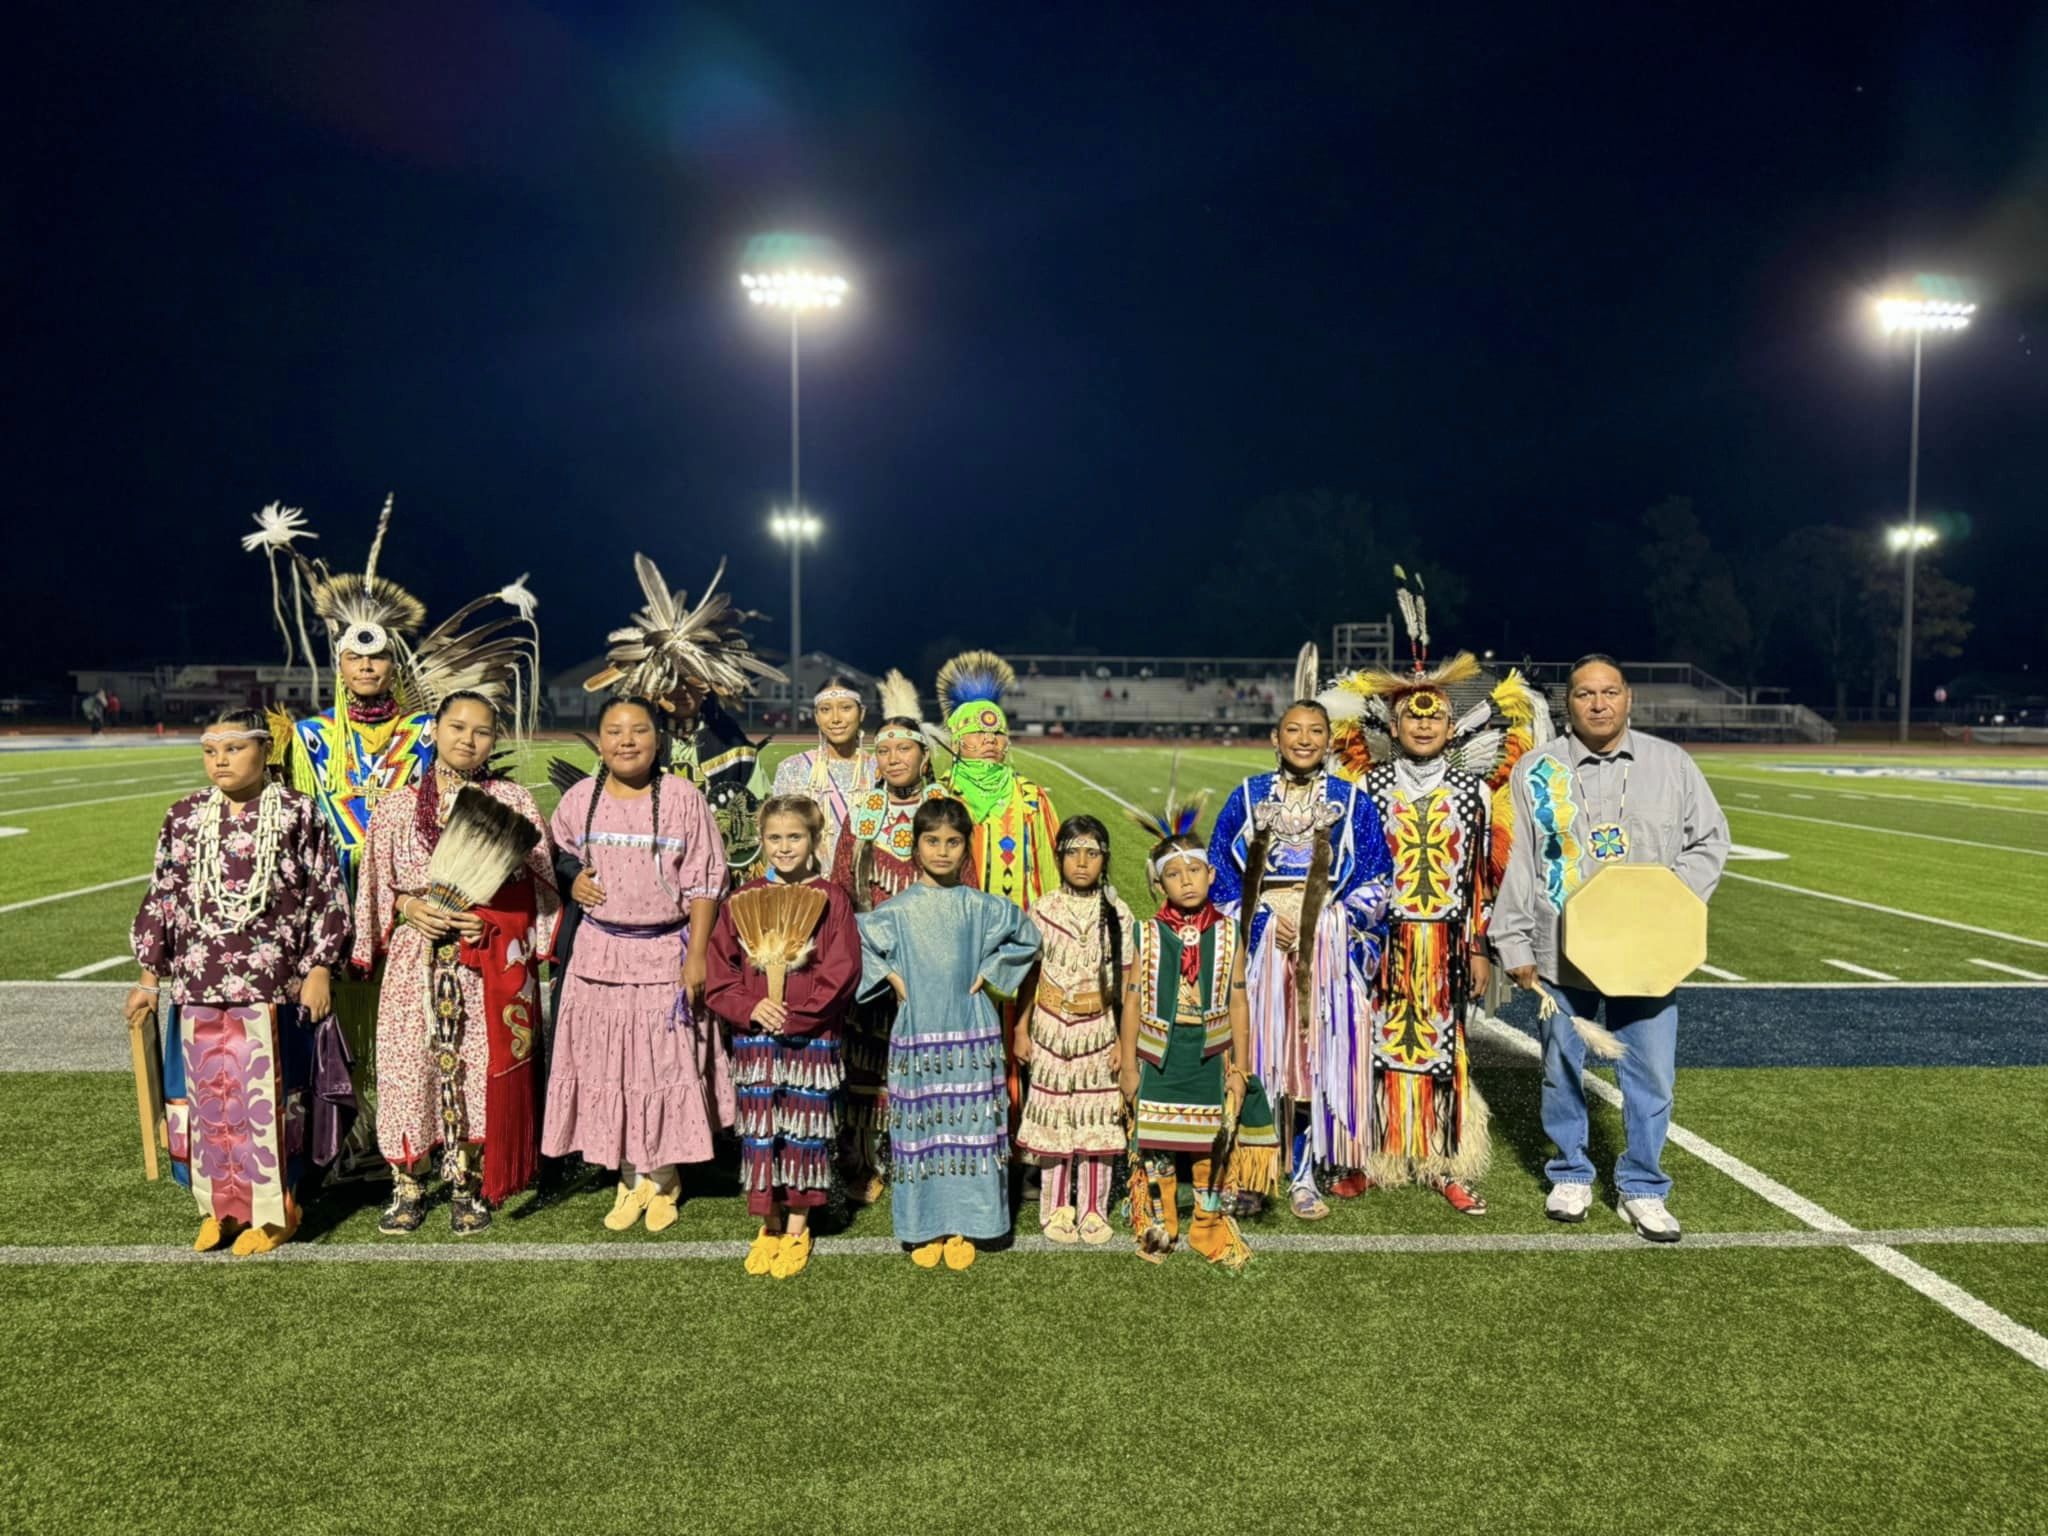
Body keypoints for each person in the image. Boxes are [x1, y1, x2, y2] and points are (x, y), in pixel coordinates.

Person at [241, 497, 542, 1178]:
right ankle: (355, 1138)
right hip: (335, 901)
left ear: (393, 664)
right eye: (354, 658)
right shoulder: (308, 738)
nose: (367, 669)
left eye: (377, 660)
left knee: (421, 1028)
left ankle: (437, 1136)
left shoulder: (425, 735)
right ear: (341, 664)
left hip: (422, 903)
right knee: (346, 1028)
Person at [1321, 586, 1555, 1213]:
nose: (1423, 723)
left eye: (1434, 716)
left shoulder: (1474, 794)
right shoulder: (1364, 784)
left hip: (1448, 943)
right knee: (1374, 1044)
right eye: (1412, 716)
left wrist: (1481, 945)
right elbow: (1349, 867)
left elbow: (1482, 877)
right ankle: (1371, 1159)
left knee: (1444, 1047)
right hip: (1381, 941)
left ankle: (1443, 1161)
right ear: (1392, 726)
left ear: (1451, 726)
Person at [1491, 654, 1730, 1243]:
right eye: (1583, 694)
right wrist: (1511, 938)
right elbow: (1522, 861)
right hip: (1560, 948)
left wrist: (1665, 903)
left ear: (1629, 699)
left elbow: (1710, 841)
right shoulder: (1537, 770)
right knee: (1561, 1067)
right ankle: (1570, 1171)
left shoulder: (1671, 764)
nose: (1598, 703)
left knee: (1651, 1074)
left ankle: (1643, 1187)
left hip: (1648, 951)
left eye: (1609, 692)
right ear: (1566, 703)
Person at [126, 708, 352, 1254]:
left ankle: (279, 1210)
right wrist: (148, 979)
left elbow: (327, 891)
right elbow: (163, 900)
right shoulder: (182, 817)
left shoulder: (298, 813)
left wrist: (320, 966)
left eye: (233, 748)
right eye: (210, 750)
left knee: (268, 1103)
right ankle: (220, 1209)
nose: (220, 760)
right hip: (198, 982)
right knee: (208, 1105)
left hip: (273, 984)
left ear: (266, 752)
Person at [351, 692, 560, 1235]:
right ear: (434, 730)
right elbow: (377, 883)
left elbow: (539, 886)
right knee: (408, 1066)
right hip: (414, 960)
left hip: (483, 963)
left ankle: (467, 1182)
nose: (468, 739)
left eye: (482, 731)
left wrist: (490, 920)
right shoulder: (398, 807)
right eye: (457, 727)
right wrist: (407, 906)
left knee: (474, 1064)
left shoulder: (512, 801)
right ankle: (408, 1184)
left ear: (495, 739)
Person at [544, 695, 732, 1233]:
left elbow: (705, 880)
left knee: (664, 1064)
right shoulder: (580, 799)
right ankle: (630, 1178)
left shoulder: (681, 798)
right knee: (611, 1066)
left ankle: (666, 1176)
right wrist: (570, 877)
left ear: (659, 739)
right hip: (599, 955)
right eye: (614, 731)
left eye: (639, 731)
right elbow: (555, 854)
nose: (626, 741)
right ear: (600, 742)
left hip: (665, 953)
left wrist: (697, 955)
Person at [1208, 671, 1391, 1221]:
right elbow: (1218, 876)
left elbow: (1379, 880)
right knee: (1259, 1062)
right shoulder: (1246, 797)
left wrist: (1322, 924)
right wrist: (1264, 919)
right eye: (1294, 729)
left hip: (1327, 953)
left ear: (1330, 740)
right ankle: (1256, 1170)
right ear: (1276, 738)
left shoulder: (1351, 801)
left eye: (1315, 730)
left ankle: (1307, 1173)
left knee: (1314, 1065)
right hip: (1262, 948)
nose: (1305, 739)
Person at [856, 798, 1041, 1270]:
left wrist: (994, 968)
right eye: (932, 841)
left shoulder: (980, 907)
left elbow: (1029, 937)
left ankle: (967, 1224)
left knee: (971, 1130)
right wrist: (893, 978)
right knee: (922, 1132)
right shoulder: (896, 911)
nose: (942, 851)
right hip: (918, 1037)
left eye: (953, 843)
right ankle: (925, 1225)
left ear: (966, 848)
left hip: (969, 1031)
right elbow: (857, 943)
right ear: (916, 846)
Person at [705, 796, 860, 1280]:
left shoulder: (832, 898)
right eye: (775, 838)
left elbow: (843, 970)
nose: (784, 847)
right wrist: (750, 1007)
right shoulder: (743, 898)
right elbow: (719, 972)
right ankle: (767, 1224)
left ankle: (797, 1225)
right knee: (761, 1133)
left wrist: (797, 1015)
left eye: (795, 837)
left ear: (814, 840)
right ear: (761, 840)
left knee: (804, 1133)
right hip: (755, 1042)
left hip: (809, 1042)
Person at [826, 670, 966, 1201]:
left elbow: (966, 884)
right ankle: (862, 1156)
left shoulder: (945, 811)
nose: (893, 759)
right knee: (867, 1059)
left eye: (904, 749)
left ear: (924, 756)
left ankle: (920, 1154)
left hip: (931, 959)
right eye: (885, 752)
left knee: (926, 1061)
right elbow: (842, 883)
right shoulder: (865, 812)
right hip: (872, 959)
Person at [1119, 789, 1269, 1268]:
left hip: (1210, 1052)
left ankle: (1207, 1220)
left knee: (1209, 1141)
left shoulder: (1229, 932)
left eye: (1193, 871)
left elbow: (1240, 998)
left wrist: (1241, 1068)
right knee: (1158, 1141)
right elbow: (1132, 1000)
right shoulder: (1146, 932)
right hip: (1158, 1052)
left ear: (1211, 873)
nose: (1185, 881)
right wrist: (1127, 1064)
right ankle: (1163, 1220)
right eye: (1173, 874)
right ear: (1159, 884)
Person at [1015, 815, 1134, 1245]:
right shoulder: (1044, 909)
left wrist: (1125, 1042)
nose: (1082, 862)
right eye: (1072, 852)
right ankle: (1056, 1207)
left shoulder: (1118, 913)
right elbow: (1030, 974)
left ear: (1105, 859)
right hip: (1049, 1028)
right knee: (1054, 1116)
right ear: (1059, 857)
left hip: (1098, 1030)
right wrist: (1021, 1028)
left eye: (1092, 853)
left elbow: (1125, 987)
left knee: (1097, 1115)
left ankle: (1093, 1209)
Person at [934, 648, 1059, 911]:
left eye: (998, 732)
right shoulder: (939, 796)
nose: (989, 739)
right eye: (977, 731)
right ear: (957, 743)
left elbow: (1049, 866)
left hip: (1021, 924)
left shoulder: (1030, 797)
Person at [771, 676, 877, 873]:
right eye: (825, 710)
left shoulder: (878, 770)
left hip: (868, 888)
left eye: (846, 708)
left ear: (861, 713)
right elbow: (778, 837)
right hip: (813, 889)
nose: (836, 718)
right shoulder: (793, 769)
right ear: (816, 716)